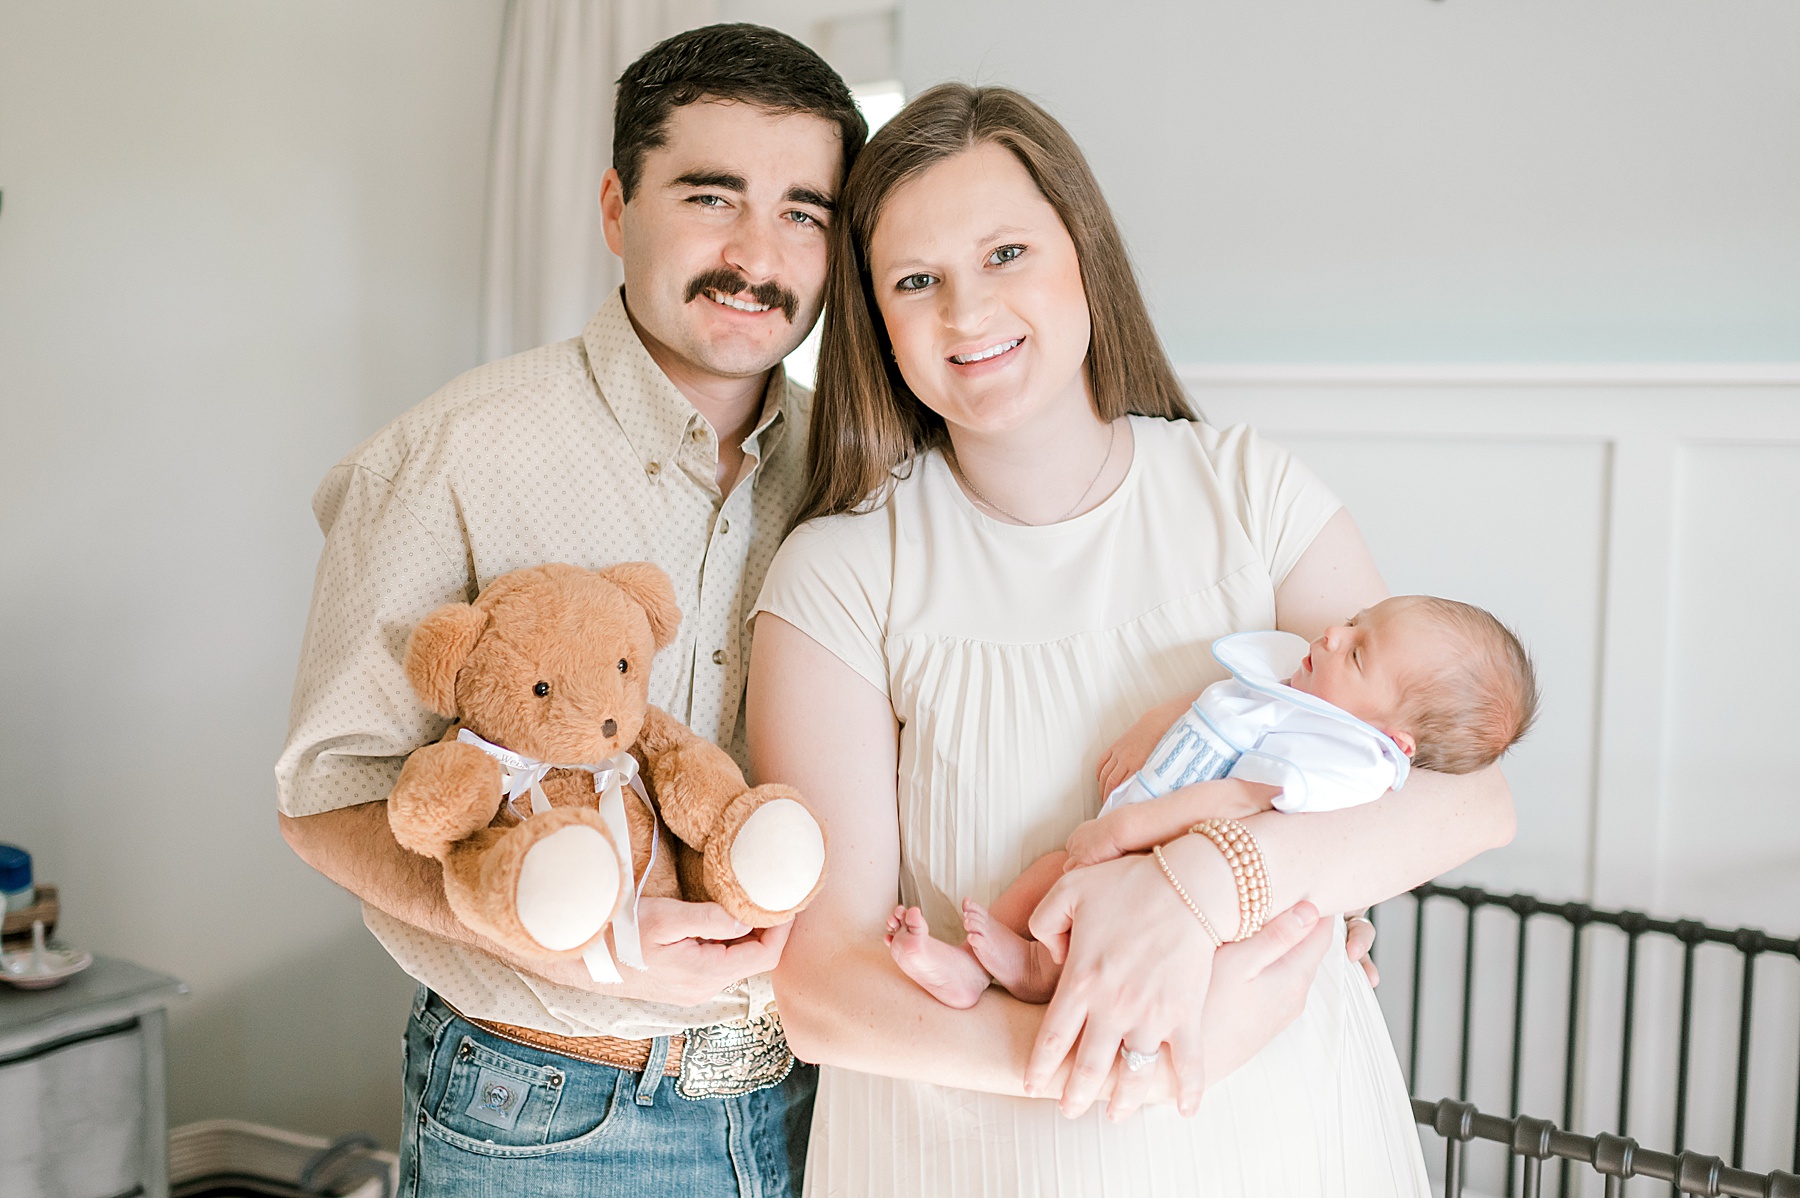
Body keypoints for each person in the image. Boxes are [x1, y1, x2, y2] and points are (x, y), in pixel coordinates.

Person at [747, 83, 1517, 1196]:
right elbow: (821, 989)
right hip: (978, 1154)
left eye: (1007, 251)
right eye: (916, 279)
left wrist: (1206, 886)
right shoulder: (841, 574)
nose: (968, 310)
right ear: (875, 316)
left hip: (1280, 1136)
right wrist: (1106, 1060)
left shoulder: (1248, 493)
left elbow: (1468, 797)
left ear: (1084, 255)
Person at [275, 25, 864, 1197]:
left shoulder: (857, 470)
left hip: (821, 1102)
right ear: (616, 205)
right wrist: (571, 936)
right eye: (713, 196)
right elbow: (325, 803)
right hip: (551, 1110)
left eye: (805, 211)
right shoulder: (451, 454)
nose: (759, 252)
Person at [888, 594, 1540, 1009]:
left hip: (1166, 866)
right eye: (1355, 621)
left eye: (1360, 652)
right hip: (1137, 838)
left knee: (1086, 910)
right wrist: (1153, 724)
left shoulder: (1340, 758)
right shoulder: (1310, 689)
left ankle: (1030, 971)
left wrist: (1125, 832)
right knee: (1047, 877)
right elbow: (1226, 700)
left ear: (1393, 738)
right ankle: (974, 965)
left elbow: (1234, 799)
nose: (1335, 635)